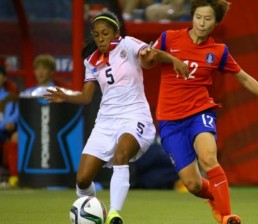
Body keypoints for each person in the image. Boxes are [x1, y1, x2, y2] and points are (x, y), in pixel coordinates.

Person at [152, 0, 258, 223]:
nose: (202, 23)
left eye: (208, 19)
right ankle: (214, 197)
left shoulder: (218, 51)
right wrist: (166, 57)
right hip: (170, 120)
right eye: (198, 17)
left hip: (200, 112)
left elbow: (244, 78)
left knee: (209, 157)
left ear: (216, 22)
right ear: (192, 16)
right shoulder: (169, 38)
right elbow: (147, 60)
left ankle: (227, 216)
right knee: (193, 184)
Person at [44, 10, 188, 224]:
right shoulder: (91, 61)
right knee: (82, 180)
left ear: (115, 32)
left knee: (122, 155)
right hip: (105, 121)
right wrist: (66, 95)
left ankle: (114, 214)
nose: (101, 39)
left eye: (105, 33)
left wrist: (173, 59)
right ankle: (93, 210)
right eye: (97, 35)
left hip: (134, 115)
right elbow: (85, 97)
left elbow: (151, 55)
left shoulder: (128, 44)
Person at [0, 62, 19, 188]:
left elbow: (13, 117)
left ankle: (13, 177)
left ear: (4, 78)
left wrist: (6, 125)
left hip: (5, 131)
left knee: (15, 137)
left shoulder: (10, 97)